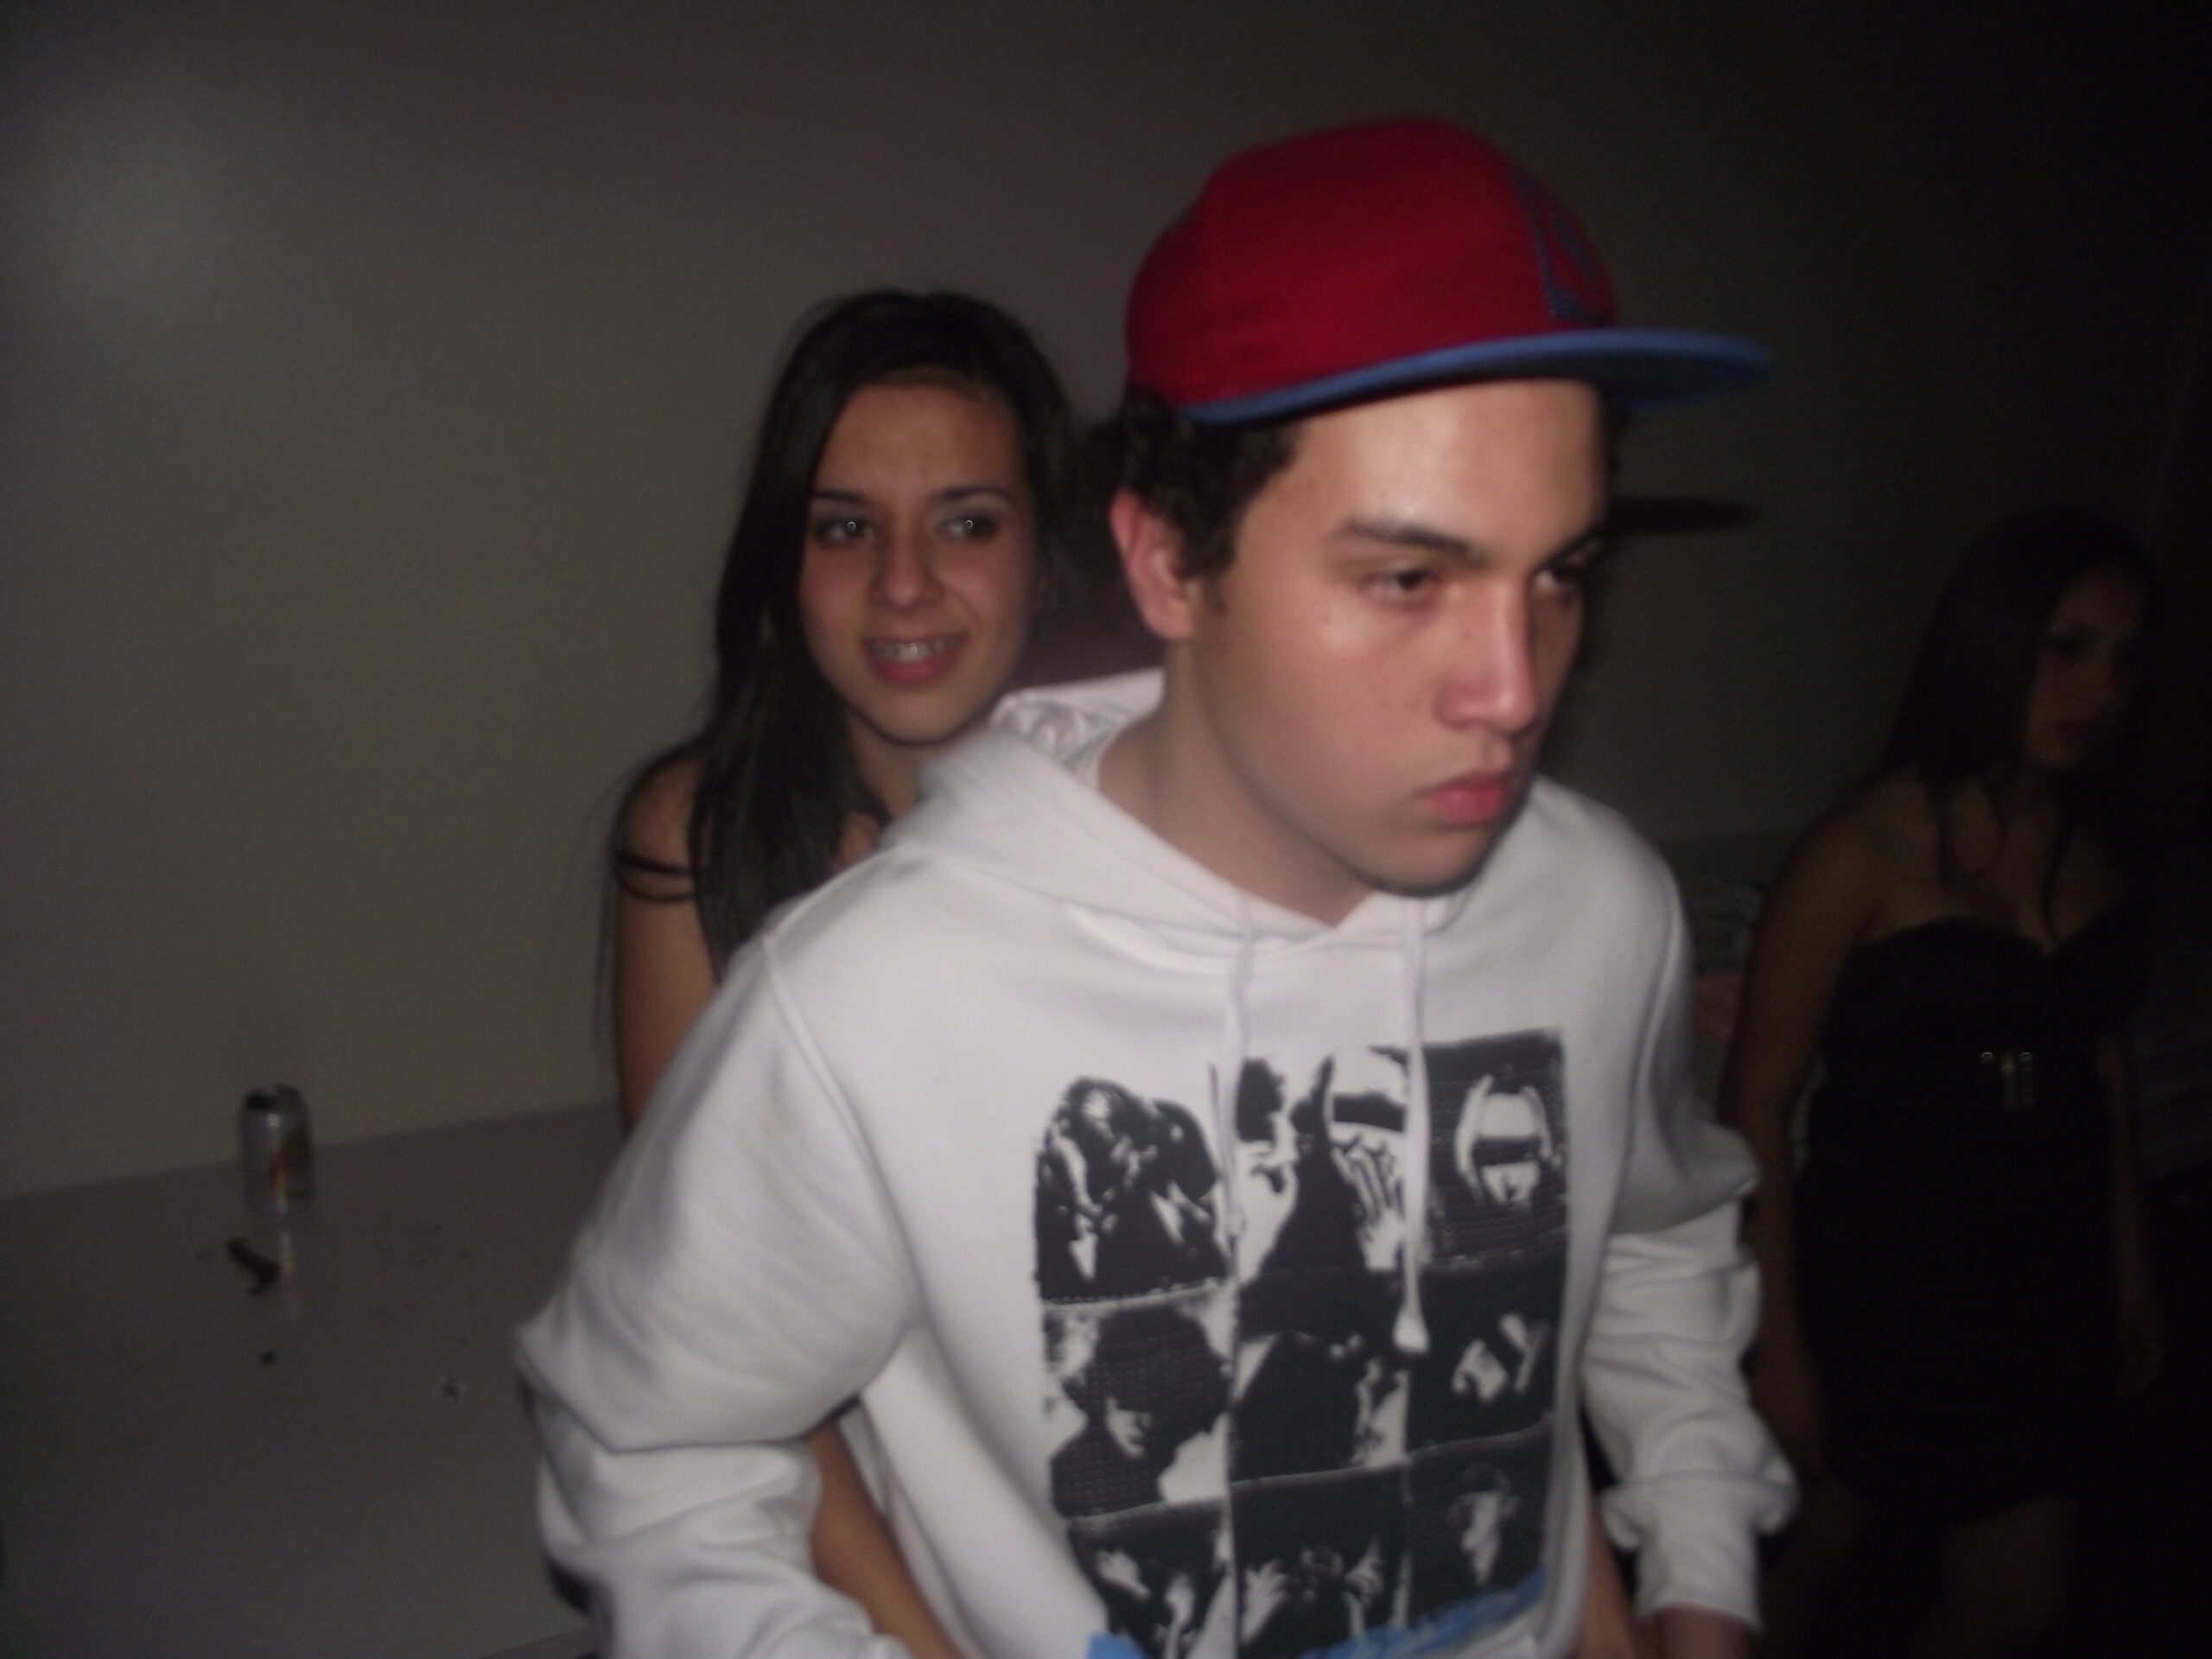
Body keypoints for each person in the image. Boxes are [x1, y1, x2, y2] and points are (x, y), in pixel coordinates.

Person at [520, 118, 1793, 1659]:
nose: (1514, 691)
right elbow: (659, 1443)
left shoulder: (1607, 910)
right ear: (1167, 561)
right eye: (1409, 578)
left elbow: (1649, 1242)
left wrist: (1701, 1581)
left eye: (1560, 575)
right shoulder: (863, 1004)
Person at [606, 288, 1077, 1659]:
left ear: (1047, 550)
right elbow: (731, 1361)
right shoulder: (702, 844)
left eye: (967, 523)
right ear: (784, 559)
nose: (905, 583)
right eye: (846, 526)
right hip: (854, 1557)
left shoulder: (1156, 834)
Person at [1719, 506, 2165, 1657]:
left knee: (2015, 1606)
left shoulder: (2103, 848)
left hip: (2047, 1277)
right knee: (1801, 1558)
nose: (2100, 689)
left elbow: (2100, 1068)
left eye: (2125, 659)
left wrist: (2130, 1269)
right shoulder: (1863, 848)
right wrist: (1779, 1344)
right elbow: (1757, 1103)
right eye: (2067, 647)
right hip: (1883, 1275)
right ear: (1995, 642)